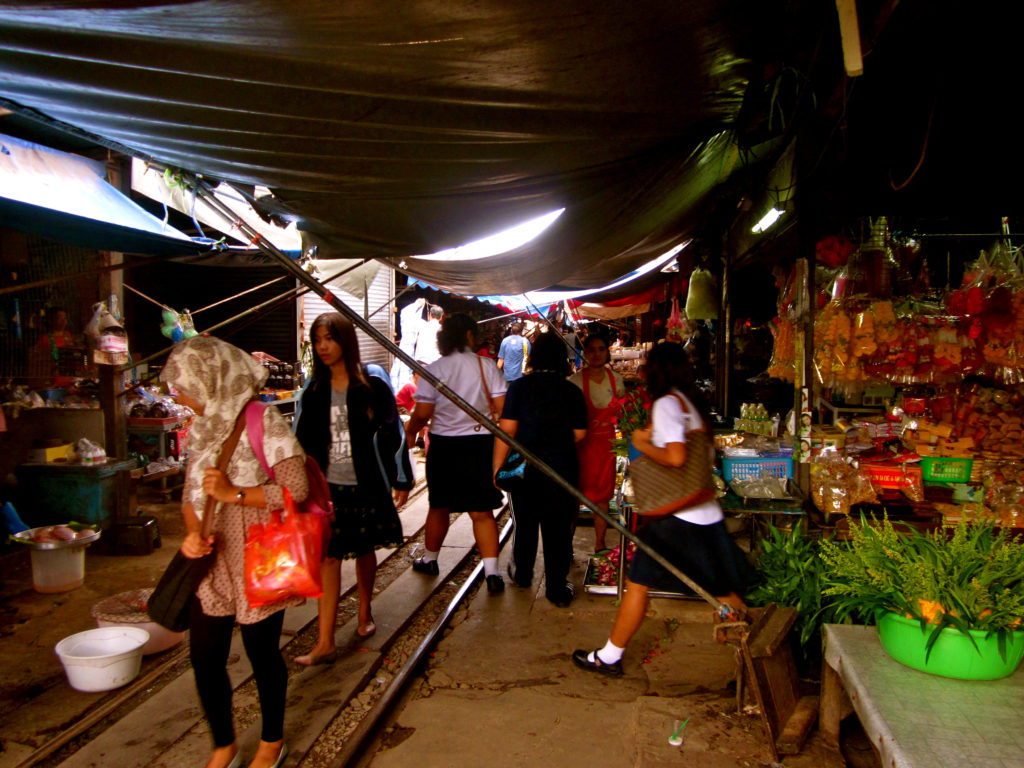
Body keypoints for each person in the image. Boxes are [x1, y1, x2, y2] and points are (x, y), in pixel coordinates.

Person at [162, 336, 306, 768]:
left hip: (260, 555)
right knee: (205, 658)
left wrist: (234, 493)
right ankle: (223, 744)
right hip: (213, 557)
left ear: (212, 379)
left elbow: (295, 489)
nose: (179, 396)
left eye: (184, 386)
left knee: (262, 655)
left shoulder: (263, 420)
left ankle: (271, 741)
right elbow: (190, 497)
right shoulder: (202, 429)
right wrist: (191, 532)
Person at [571, 342, 754, 677]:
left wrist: (640, 443)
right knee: (723, 590)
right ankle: (758, 658)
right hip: (703, 513)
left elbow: (676, 457)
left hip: (676, 519)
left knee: (639, 585)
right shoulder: (690, 403)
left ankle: (609, 657)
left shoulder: (668, 404)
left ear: (654, 371)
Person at [293, 312, 412, 663]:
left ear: (345, 340)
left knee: (363, 548)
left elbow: (394, 432)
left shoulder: (371, 387)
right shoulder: (313, 392)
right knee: (328, 557)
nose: (323, 346)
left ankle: (364, 611)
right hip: (328, 488)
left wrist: (401, 476)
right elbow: (300, 442)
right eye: (318, 340)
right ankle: (325, 639)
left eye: (329, 338)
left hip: (366, 485)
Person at [404, 313, 508, 593]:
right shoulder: (486, 366)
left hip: (445, 446)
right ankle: (492, 574)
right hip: (479, 444)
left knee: (439, 506)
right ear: (469, 337)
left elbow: (422, 413)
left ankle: (430, 560)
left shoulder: (434, 370)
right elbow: (503, 408)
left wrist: (410, 433)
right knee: (482, 511)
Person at [493, 332, 587, 605]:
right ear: (563, 359)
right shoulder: (572, 391)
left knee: (524, 522)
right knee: (557, 527)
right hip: (561, 468)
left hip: (525, 468)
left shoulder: (519, 388)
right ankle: (557, 589)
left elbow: (507, 430)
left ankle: (522, 573)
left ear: (532, 358)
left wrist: (497, 467)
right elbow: (580, 434)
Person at [568, 333, 624, 552]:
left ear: (607, 352)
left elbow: (622, 414)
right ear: (585, 353)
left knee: (603, 497)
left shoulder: (616, 380)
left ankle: (600, 542)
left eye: (601, 349)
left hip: (606, 448)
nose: (597, 354)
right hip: (580, 447)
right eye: (592, 350)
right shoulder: (574, 382)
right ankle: (567, 546)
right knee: (574, 497)